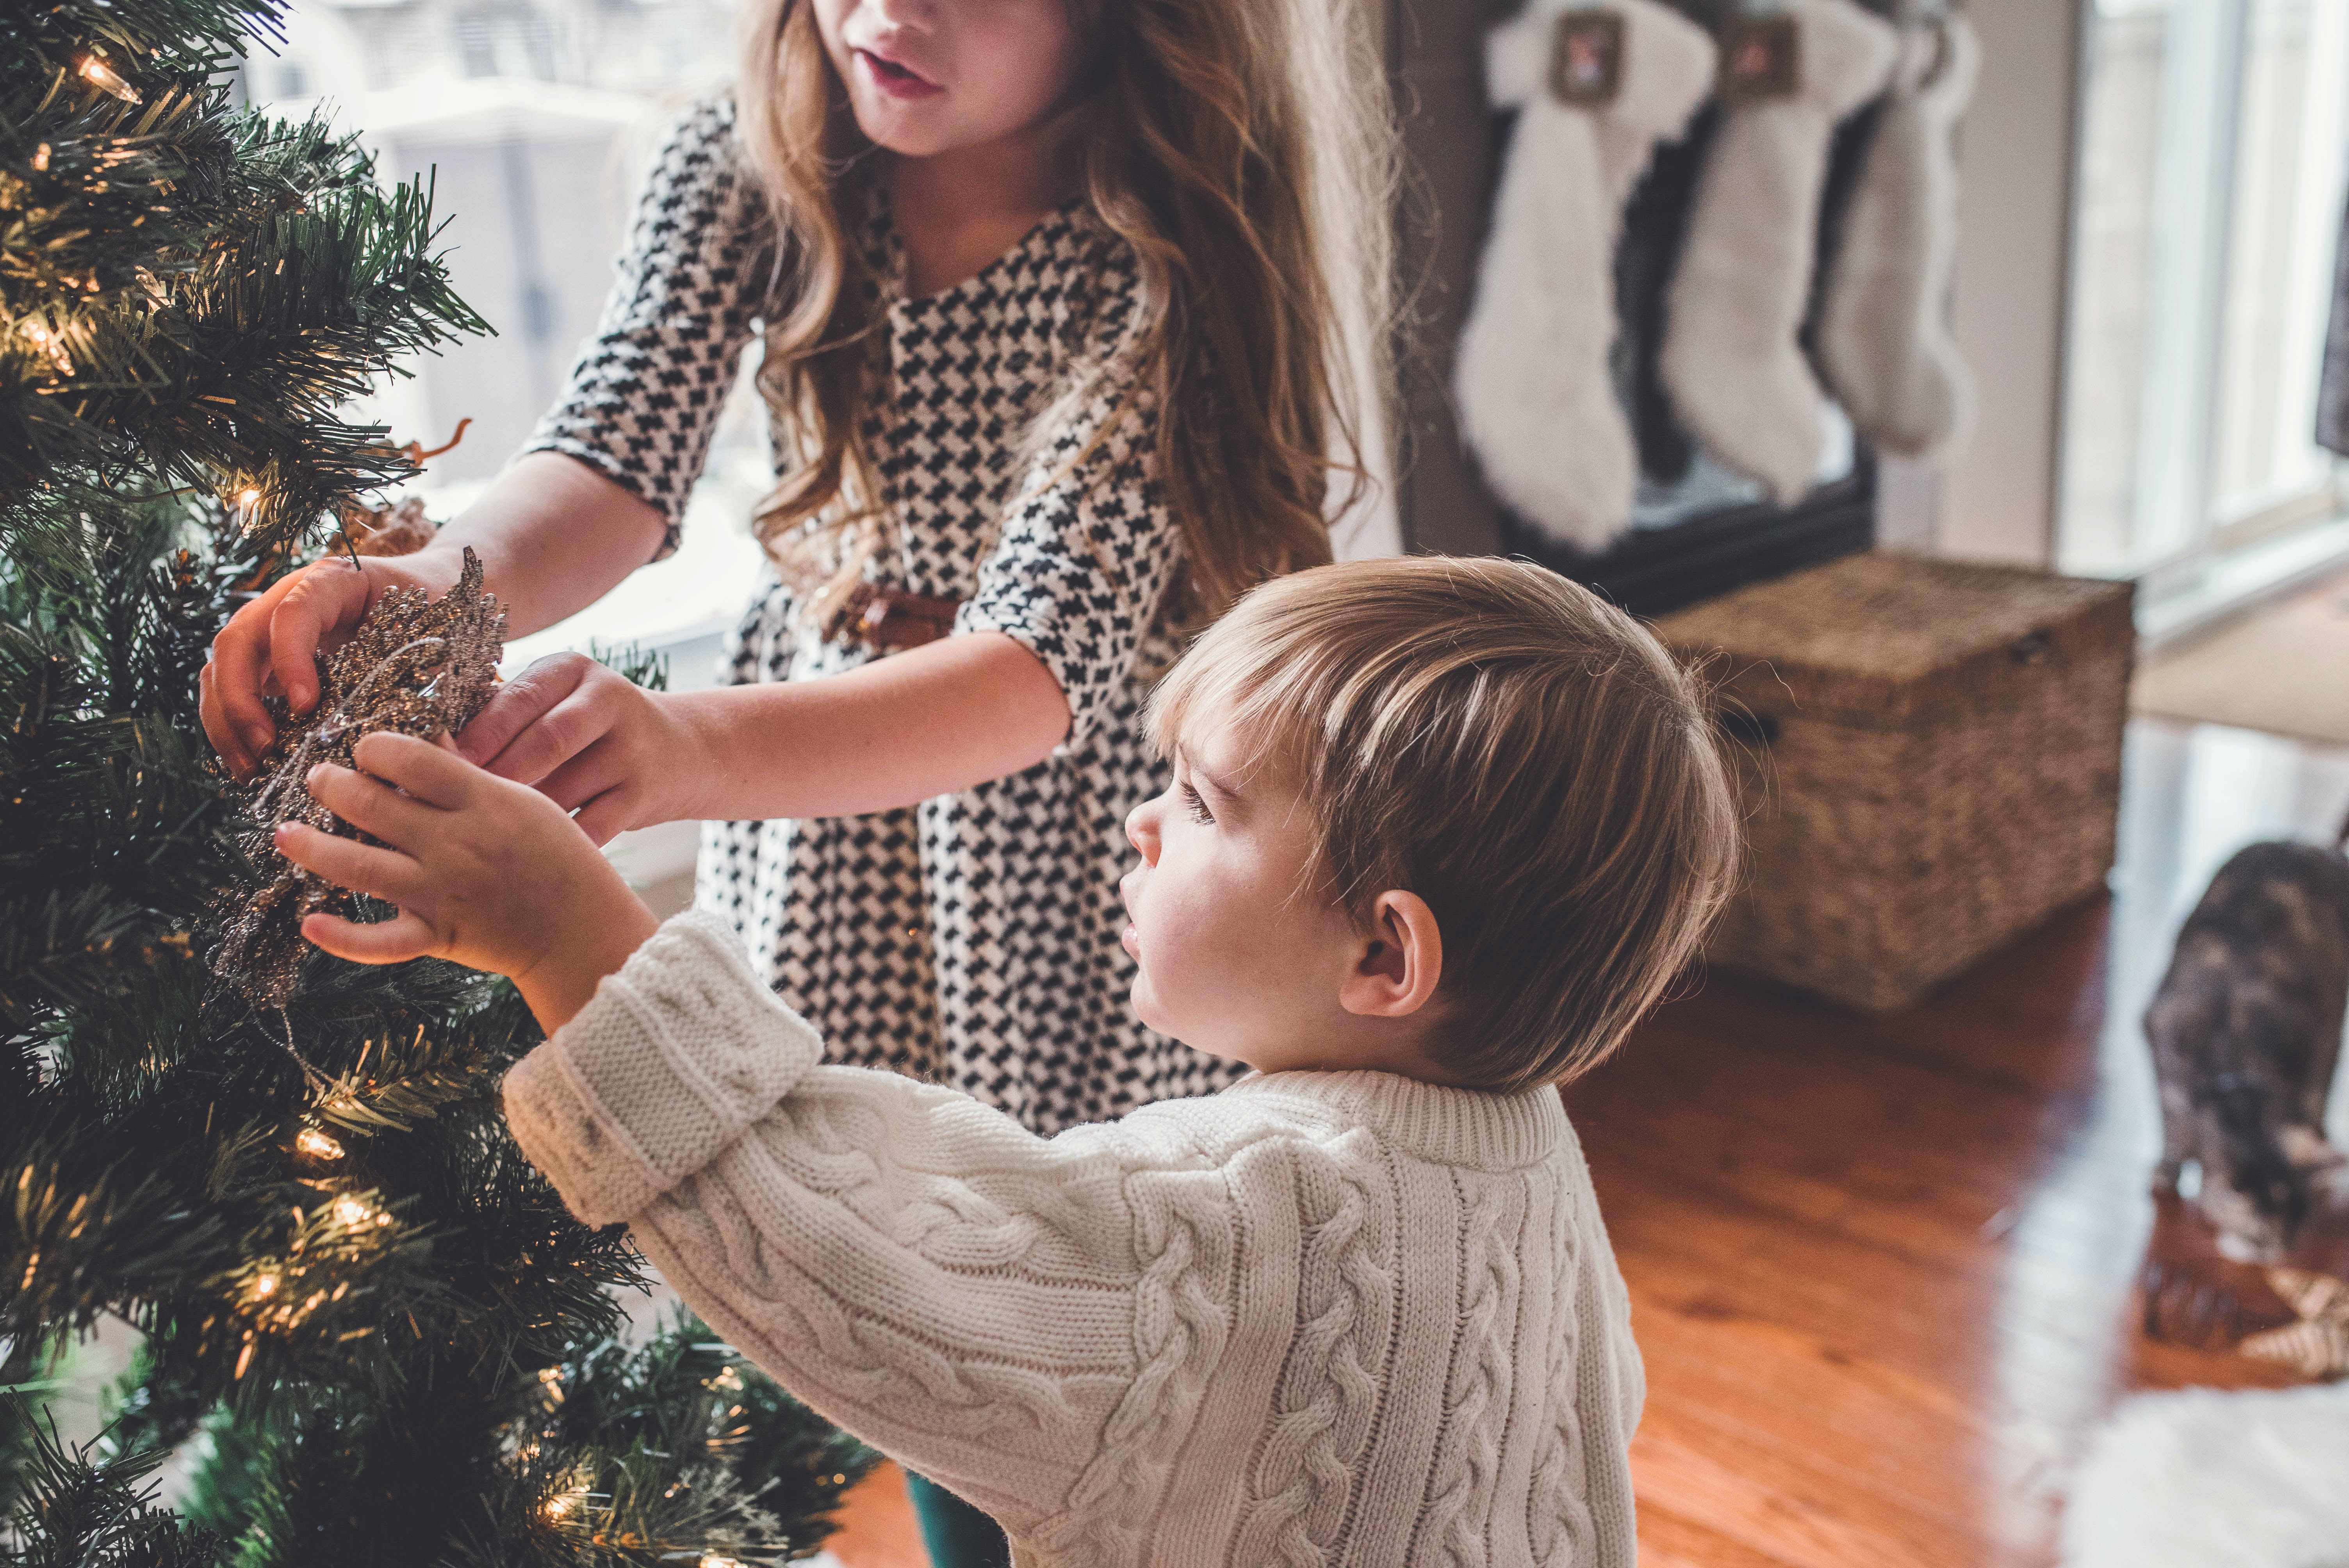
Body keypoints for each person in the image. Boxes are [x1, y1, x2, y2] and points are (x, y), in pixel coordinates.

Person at [272, 555, 1742, 1566]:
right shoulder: (1527, 1151)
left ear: (1384, 959)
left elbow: (840, 1245)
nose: (1141, 824)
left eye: (1203, 803)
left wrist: (568, 940)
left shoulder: (1241, 1216)